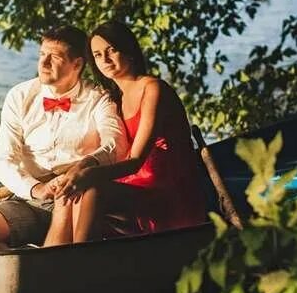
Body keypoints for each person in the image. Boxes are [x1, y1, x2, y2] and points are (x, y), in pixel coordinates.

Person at [0, 25, 128, 251]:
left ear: (77, 64)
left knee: (67, 207)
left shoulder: (98, 99)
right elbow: (3, 161)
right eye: (41, 55)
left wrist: (83, 166)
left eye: (55, 57)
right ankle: (23, 271)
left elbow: (115, 146)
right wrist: (37, 189)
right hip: (29, 196)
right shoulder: (19, 96)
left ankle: (52, 267)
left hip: (77, 194)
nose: (44, 63)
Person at [46, 20, 207, 243]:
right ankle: (53, 259)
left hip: (166, 187)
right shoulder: (114, 97)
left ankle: (79, 260)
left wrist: (89, 174)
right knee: (72, 191)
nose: (105, 59)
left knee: (92, 188)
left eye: (111, 50)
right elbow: (111, 148)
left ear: (128, 50)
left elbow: (136, 161)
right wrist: (78, 169)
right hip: (134, 182)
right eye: (98, 55)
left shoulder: (152, 89)